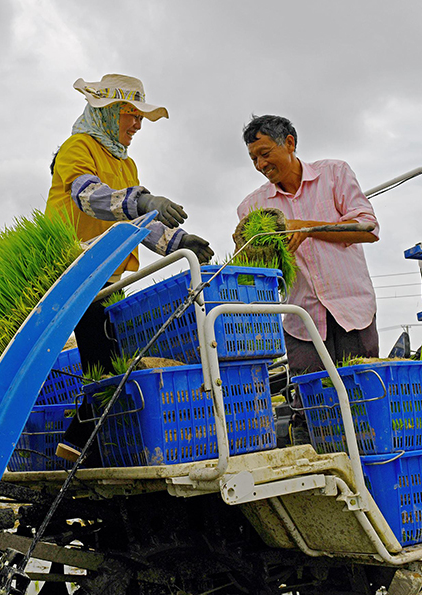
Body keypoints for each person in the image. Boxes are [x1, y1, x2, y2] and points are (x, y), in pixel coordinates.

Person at [48, 74, 213, 461]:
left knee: (108, 359)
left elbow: (137, 222)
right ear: (106, 112)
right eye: (131, 115)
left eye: (140, 117)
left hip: (108, 275)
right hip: (75, 269)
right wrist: (141, 201)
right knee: (102, 362)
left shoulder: (127, 164)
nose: (138, 125)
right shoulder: (78, 148)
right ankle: (77, 444)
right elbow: (89, 198)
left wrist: (177, 241)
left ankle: (80, 443)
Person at [236, 114, 379, 376]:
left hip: (352, 310)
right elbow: (255, 270)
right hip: (301, 321)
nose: (260, 164)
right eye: (254, 159)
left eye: (265, 153)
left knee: (362, 395)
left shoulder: (335, 174)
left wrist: (307, 228)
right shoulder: (252, 207)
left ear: (289, 143)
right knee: (312, 403)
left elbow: (368, 228)